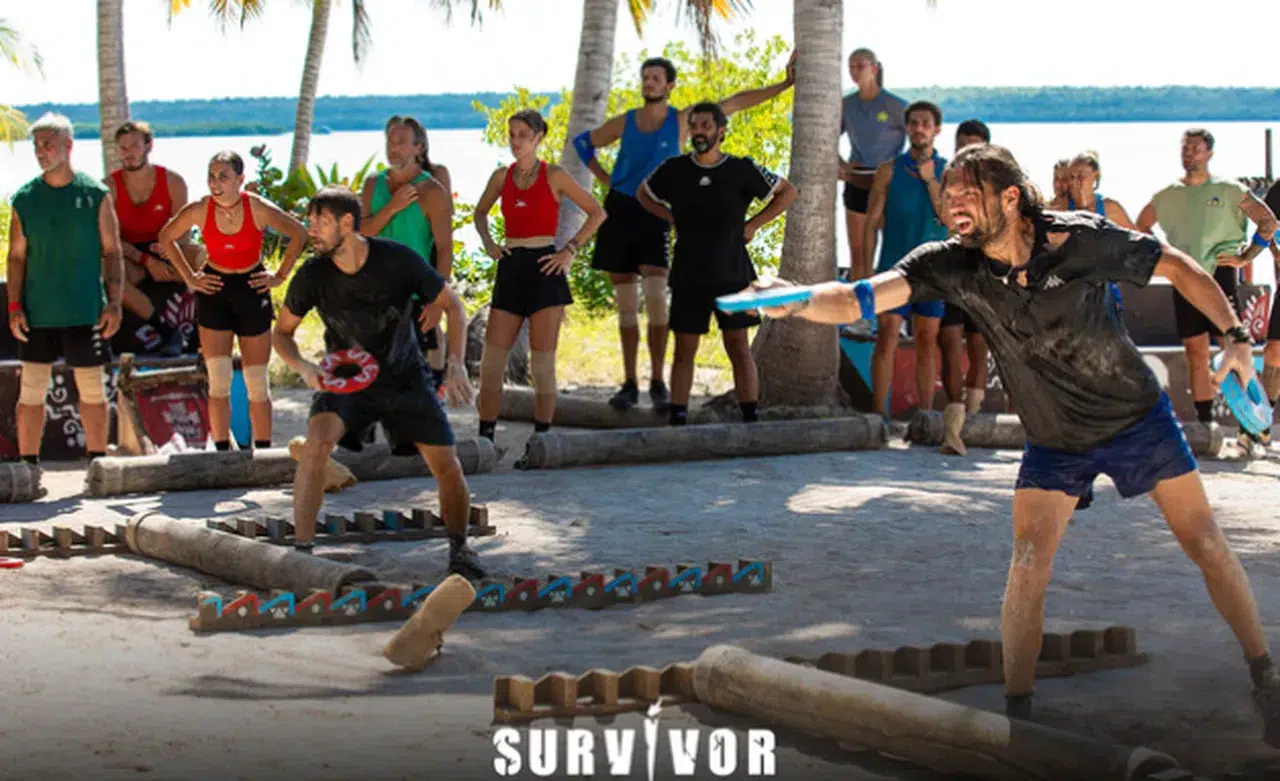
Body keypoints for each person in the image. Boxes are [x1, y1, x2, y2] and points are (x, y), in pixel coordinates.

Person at [753, 142, 1280, 745]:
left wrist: (1236, 338)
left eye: (966, 195)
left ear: (1009, 197)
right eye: (949, 196)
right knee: (1028, 562)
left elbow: (1181, 267)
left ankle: (1264, 674)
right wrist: (796, 299)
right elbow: (857, 298)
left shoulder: (1079, 239)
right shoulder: (951, 263)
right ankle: (1018, 717)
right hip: (1055, 437)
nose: (952, 205)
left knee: (1206, 542)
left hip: (1136, 418)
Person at [274, 186, 484, 578]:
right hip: (345, 378)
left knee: (446, 463)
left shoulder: (397, 260)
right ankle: (302, 554)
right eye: (310, 221)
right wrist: (303, 367)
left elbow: (452, 306)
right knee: (316, 445)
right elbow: (282, 334)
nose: (311, 230)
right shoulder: (312, 275)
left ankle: (460, 550)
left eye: (320, 222)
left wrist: (456, 364)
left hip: (404, 377)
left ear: (346, 223)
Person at [572, 52, 796, 412]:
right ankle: (629, 383)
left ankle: (658, 382)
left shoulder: (682, 120)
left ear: (670, 85)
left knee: (657, 301)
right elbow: (584, 144)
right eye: (646, 77)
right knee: (627, 306)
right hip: (622, 209)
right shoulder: (625, 121)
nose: (649, 83)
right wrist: (608, 179)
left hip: (657, 218)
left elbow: (736, 102)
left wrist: (784, 85)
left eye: (656, 78)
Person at [636, 101, 797, 426]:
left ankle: (750, 419)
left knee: (738, 346)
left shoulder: (741, 169)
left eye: (706, 126)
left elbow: (788, 192)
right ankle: (678, 419)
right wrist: (670, 217)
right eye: (694, 126)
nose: (699, 132)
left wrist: (754, 225)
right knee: (684, 348)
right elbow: (643, 193)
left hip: (733, 274)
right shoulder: (674, 169)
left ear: (721, 132)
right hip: (688, 275)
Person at [157, 150, 308, 451]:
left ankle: (262, 452)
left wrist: (279, 276)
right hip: (214, 289)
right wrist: (190, 278)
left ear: (240, 179)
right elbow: (166, 237)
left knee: (256, 381)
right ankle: (222, 453)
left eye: (223, 177)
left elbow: (299, 233)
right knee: (219, 380)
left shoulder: (257, 207)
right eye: (211, 176)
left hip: (252, 288)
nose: (216, 183)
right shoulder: (201, 209)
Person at [472, 109, 607, 442]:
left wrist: (570, 250)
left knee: (542, 365)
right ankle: (485, 440)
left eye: (523, 135)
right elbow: (480, 213)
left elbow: (597, 212)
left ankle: (541, 440)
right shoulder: (501, 177)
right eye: (512, 134)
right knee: (491, 363)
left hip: (546, 268)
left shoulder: (555, 175)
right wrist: (489, 243)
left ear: (538, 137)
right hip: (511, 267)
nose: (515, 141)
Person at [1136, 129, 1278, 434]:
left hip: (1220, 274)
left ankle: (1254, 428)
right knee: (1196, 352)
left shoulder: (1230, 189)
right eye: (1185, 148)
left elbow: (1268, 222)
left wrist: (1247, 256)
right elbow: (1140, 226)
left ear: (1209, 153)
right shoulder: (1167, 195)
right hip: (1184, 278)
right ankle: (1205, 426)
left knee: (1234, 348)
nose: (1189, 154)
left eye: (1196, 149)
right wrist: (1166, 257)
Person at [6, 112, 123, 463]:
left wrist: (114, 303)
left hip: (86, 309)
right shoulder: (25, 198)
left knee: (92, 390)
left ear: (68, 145)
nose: (41, 152)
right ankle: (29, 467)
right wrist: (14, 306)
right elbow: (16, 258)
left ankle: (97, 464)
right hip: (38, 311)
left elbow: (112, 252)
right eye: (36, 145)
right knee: (31, 391)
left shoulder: (95, 194)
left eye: (48, 144)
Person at [861, 101, 951, 439]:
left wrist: (931, 181)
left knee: (927, 340)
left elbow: (949, 220)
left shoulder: (949, 171)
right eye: (914, 123)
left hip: (933, 271)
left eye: (926, 123)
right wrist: (864, 269)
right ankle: (879, 416)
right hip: (893, 268)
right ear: (907, 128)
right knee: (886, 336)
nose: (919, 128)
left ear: (936, 129)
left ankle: (924, 418)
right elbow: (871, 222)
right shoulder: (889, 170)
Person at [360, 116, 454, 391]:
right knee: (373, 378)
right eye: (390, 141)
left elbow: (445, 248)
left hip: (414, 295)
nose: (393, 148)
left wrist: (438, 302)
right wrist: (392, 207)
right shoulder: (372, 184)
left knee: (416, 382)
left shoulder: (432, 191)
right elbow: (361, 233)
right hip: (374, 294)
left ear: (418, 148)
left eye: (401, 142)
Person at [106, 120, 191, 357]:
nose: (128, 153)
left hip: (166, 250)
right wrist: (145, 260)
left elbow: (184, 230)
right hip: (131, 256)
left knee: (204, 257)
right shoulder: (109, 187)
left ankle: (214, 332)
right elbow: (110, 240)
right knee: (108, 271)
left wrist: (171, 248)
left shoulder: (173, 182)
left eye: (134, 146)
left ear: (148, 146)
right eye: (123, 148)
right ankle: (167, 332)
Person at [841, 47, 908, 278]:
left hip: (889, 182)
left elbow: (918, 137)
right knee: (859, 254)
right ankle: (858, 300)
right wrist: (843, 166)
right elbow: (826, 140)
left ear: (874, 68)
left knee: (893, 251)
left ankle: (888, 299)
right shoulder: (846, 105)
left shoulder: (896, 105)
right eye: (851, 66)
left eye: (860, 65)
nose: (855, 71)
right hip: (857, 181)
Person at [940, 119, 992, 418]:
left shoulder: (994, 183)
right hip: (952, 269)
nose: (967, 153)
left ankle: (973, 415)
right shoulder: (948, 178)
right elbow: (945, 219)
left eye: (974, 147)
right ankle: (954, 419)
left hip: (983, 270)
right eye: (962, 146)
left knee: (978, 344)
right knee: (949, 341)